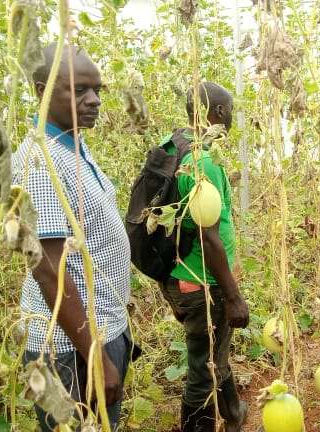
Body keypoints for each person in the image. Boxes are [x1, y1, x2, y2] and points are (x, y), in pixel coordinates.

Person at [13, 44, 133, 430]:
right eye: (79, 90)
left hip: (95, 332)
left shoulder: (71, 145)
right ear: (42, 90)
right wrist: (95, 354)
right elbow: (47, 270)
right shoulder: (38, 160)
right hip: (72, 348)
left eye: (97, 89)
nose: (94, 100)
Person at [157, 81, 249, 432]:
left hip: (181, 276)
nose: (233, 118)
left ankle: (233, 414)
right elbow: (208, 238)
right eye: (232, 111)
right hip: (202, 283)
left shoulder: (176, 146)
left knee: (214, 353)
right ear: (220, 112)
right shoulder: (203, 161)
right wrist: (233, 295)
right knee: (203, 368)